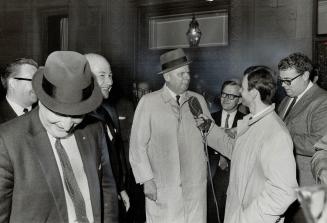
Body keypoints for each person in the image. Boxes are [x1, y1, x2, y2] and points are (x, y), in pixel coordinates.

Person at [0, 51, 118, 222]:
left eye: (77, 115)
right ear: (41, 99)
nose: (67, 125)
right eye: (58, 115)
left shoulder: (94, 129)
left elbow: (107, 191)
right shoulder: (7, 140)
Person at [204, 66, 298, 223]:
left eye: (243, 87)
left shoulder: (275, 133)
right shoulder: (252, 122)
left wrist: (248, 218)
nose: (240, 91)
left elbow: (285, 191)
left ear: (253, 93)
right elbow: (236, 152)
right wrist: (209, 129)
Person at [129, 48, 212, 223]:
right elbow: (137, 146)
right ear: (167, 76)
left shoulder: (198, 101)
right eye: (181, 74)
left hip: (194, 187)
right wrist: (146, 180)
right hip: (163, 186)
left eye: (188, 73)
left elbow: (210, 136)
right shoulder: (149, 102)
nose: (187, 77)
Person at [277, 53, 327, 223]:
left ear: (305, 75)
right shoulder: (285, 101)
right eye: (281, 80)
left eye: (288, 80)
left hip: (311, 187)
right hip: (288, 185)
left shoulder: (322, 100)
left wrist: (280, 140)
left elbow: (319, 142)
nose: (283, 85)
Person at [84, 53, 130, 219]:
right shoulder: (78, 119)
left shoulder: (107, 111)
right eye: (102, 76)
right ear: (84, 78)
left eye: (110, 76)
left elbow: (114, 155)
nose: (110, 82)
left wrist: (120, 187)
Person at [207, 79, 245, 223]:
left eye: (231, 96)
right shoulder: (209, 118)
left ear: (240, 100)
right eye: (224, 94)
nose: (226, 99)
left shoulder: (246, 121)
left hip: (234, 175)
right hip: (210, 174)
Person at [0, 58, 38, 123]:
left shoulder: (44, 115)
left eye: (38, 81)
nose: (38, 86)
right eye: (33, 80)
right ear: (13, 83)